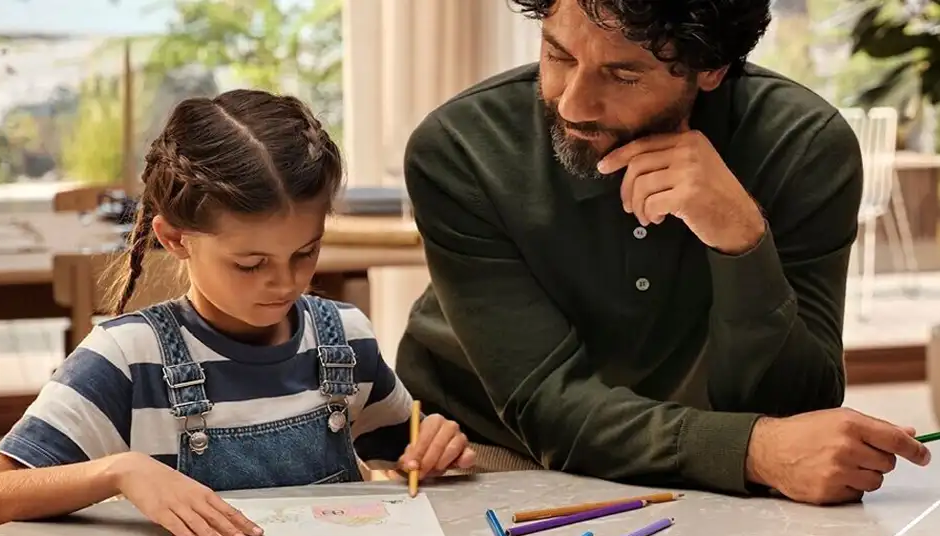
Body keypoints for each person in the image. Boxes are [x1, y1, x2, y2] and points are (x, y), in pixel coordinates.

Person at [395, 0, 931, 506]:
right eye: (559, 55)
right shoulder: (462, 149)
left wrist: (742, 239)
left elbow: (798, 414)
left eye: (623, 75)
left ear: (712, 68)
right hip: (477, 452)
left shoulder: (804, 146)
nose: (572, 103)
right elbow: (546, 406)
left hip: (707, 476)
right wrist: (751, 450)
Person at [0, 90, 475, 536]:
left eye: (305, 253)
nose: (285, 283)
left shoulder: (345, 340)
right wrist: (117, 471)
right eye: (251, 264)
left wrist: (435, 447)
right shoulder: (127, 361)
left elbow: (406, 453)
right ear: (175, 239)